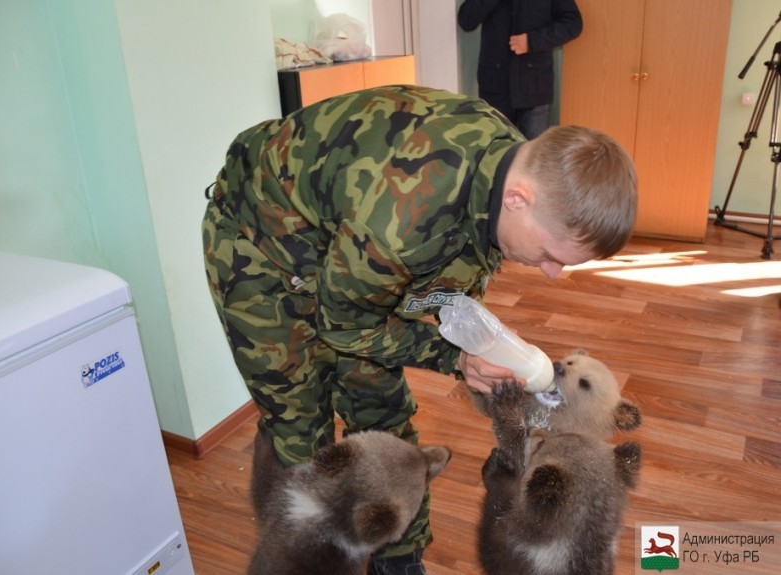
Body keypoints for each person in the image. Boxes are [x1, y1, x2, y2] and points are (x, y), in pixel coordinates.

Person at [201, 84, 636, 575]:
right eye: (552, 255)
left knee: (383, 420)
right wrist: (454, 359)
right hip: (260, 250)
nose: (553, 272)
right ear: (518, 199)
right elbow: (343, 324)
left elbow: (448, 275)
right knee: (302, 434)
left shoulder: (512, 165)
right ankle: (306, 560)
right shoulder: (405, 224)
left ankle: (399, 564)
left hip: (351, 256)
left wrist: (478, 338)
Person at [458, 0, 583, 139]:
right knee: (497, 155)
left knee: (533, 155)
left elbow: (573, 23)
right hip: (495, 88)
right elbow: (466, 20)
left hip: (535, 85)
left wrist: (531, 42)